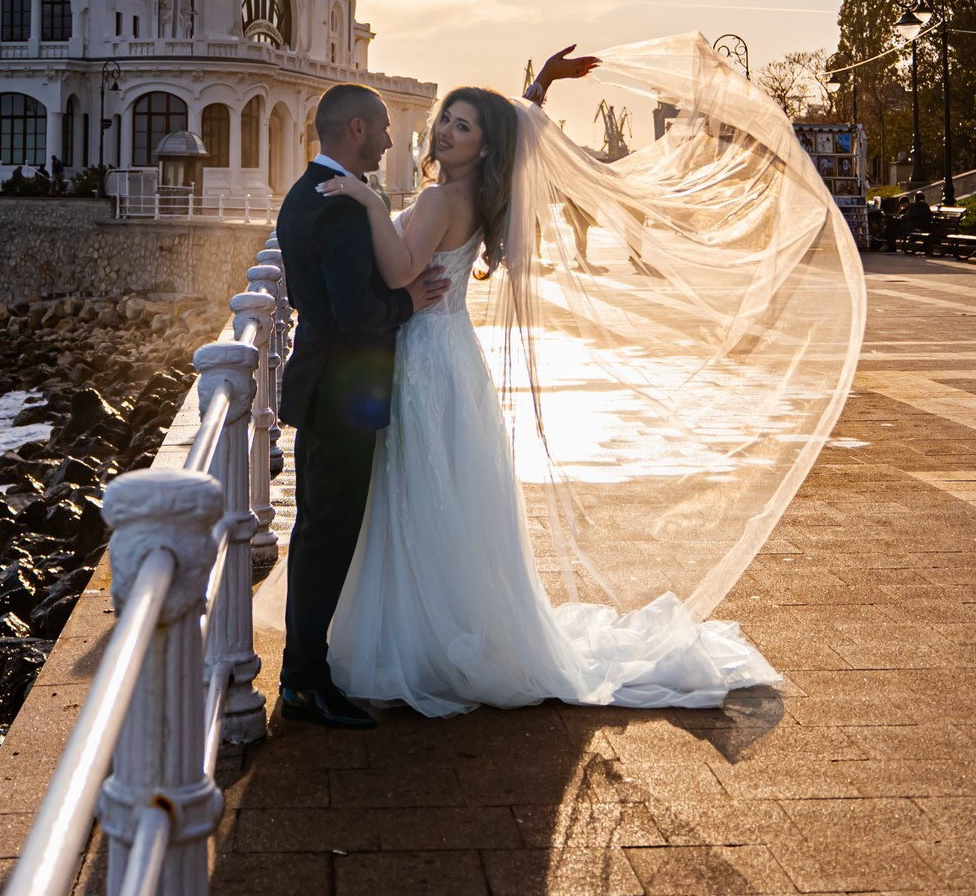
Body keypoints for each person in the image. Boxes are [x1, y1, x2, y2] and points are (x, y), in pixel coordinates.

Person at [303, 44, 804, 717]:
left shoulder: (436, 197)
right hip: (453, 358)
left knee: (422, 495)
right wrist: (537, 86)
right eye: (447, 120)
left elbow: (397, 274)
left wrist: (367, 202)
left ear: (481, 149)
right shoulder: (480, 194)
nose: (446, 131)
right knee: (443, 496)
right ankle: (442, 631)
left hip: (423, 356)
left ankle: (425, 643)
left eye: (462, 126)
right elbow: (518, 134)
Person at [273, 82, 452, 731]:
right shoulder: (341, 208)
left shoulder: (302, 195)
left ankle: (305, 670)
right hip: (343, 387)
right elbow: (356, 314)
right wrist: (412, 303)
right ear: (353, 128)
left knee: (319, 529)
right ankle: (303, 682)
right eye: (379, 128)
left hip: (324, 381)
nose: (387, 139)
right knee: (326, 535)